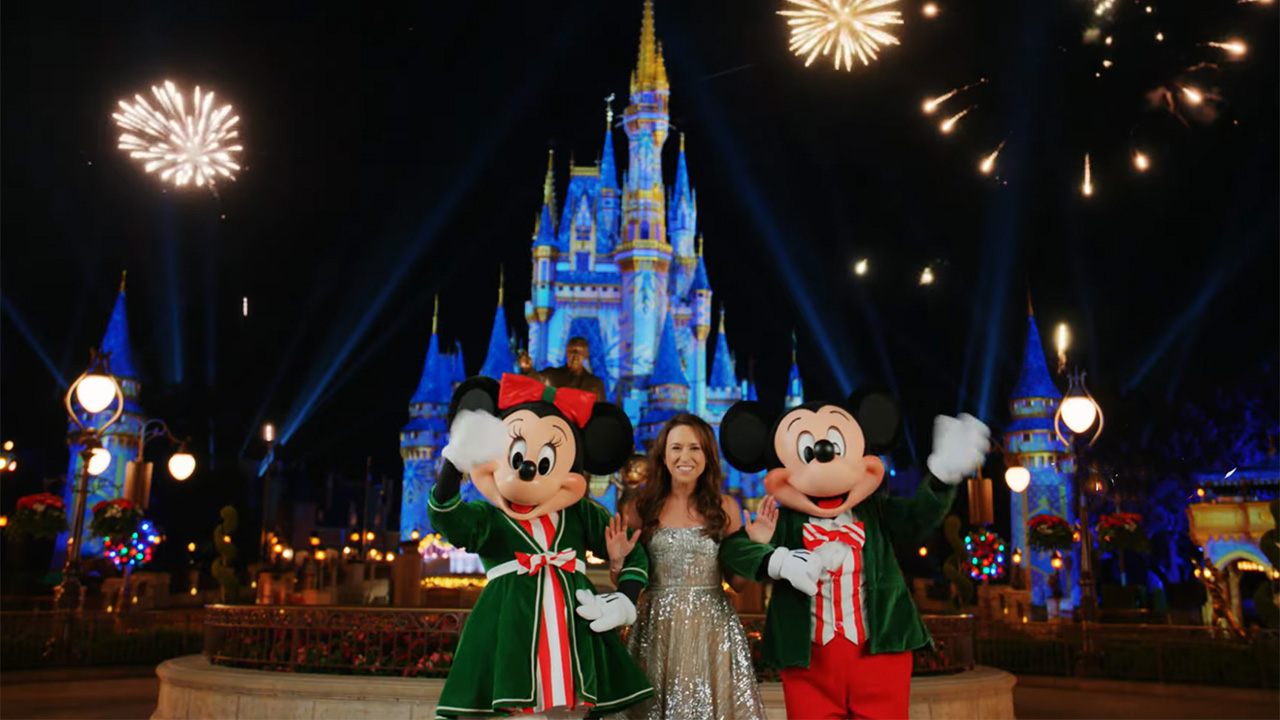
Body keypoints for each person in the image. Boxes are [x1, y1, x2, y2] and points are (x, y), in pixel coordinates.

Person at [604, 413, 778, 720]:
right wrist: (617, 561)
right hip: (656, 631)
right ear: (663, 455)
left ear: (708, 456)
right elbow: (625, 582)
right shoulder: (640, 506)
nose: (685, 457)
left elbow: (736, 583)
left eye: (695, 448)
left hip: (712, 631)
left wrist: (757, 546)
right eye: (677, 448)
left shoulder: (726, 507)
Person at [519, 337, 608, 403]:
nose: (576, 355)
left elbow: (601, 412)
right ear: (567, 352)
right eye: (573, 351)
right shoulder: (552, 375)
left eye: (580, 352)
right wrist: (527, 369)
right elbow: (534, 379)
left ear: (586, 355)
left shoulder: (595, 383)